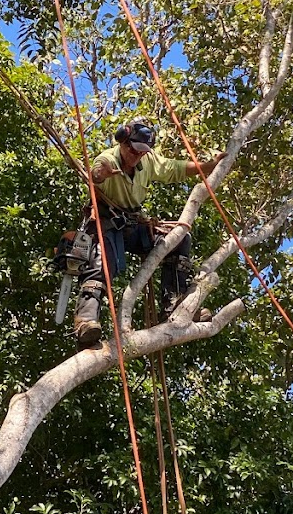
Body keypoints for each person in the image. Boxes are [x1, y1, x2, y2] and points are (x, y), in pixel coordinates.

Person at [73, 118, 224, 349]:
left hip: (132, 225)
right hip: (107, 223)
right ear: (123, 142)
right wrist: (101, 174)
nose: (137, 156)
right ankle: (86, 320)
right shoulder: (107, 159)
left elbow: (175, 169)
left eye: (142, 152)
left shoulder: (147, 161)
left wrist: (207, 166)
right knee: (102, 263)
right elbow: (95, 173)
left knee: (179, 239)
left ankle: (174, 304)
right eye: (133, 150)